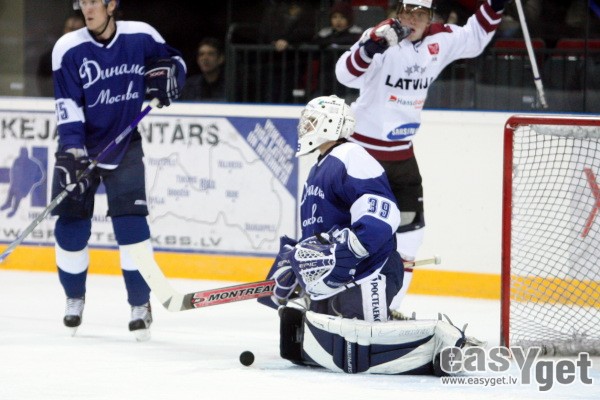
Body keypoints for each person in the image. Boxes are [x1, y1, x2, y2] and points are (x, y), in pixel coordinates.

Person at [261, 95, 470, 375]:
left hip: (367, 272)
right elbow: (320, 233)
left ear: (331, 123)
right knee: (329, 346)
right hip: (336, 279)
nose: (305, 128)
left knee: (359, 348)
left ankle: (442, 343)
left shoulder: (351, 156)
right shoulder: (318, 168)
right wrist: (298, 264)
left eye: (311, 122)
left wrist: (345, 253)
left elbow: (382, 214)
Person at [334, 0, 510, 312]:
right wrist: (370, 48)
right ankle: (331, 299)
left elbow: (474, 37)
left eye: (420, 14)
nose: (412, 19)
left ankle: (389, 309)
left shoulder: (440, 39)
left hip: (402, 157)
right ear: (397, 13)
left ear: (429, 18)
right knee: (353, 232)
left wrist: (495, 5)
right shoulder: (382, 37)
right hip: (362, 154)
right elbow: (345, 74)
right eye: (407, 12)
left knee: (410, 236)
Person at [51, 0, 186, 341]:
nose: (87, 9)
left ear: (111, 5)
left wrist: (169, 78)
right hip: (79, 147)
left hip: (125, 145)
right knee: (70, 229)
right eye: (83, 2)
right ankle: (74, 298)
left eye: (94, 2)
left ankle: (140, 304)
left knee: (131, 227)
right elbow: (66, 105)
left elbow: (176, 62)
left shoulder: (140, 36)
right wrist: (73, 151)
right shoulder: (68, 48)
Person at [312, 2, 363, 98]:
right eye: (334, 17)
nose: (338, 21)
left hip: (348, 76)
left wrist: (332, 42)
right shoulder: (325, 33)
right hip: (327, 75)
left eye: (342, 17)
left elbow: (354, 41)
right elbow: (317, 42)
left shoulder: (357, 33)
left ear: (349, 18)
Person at [36, 12, 85, 97]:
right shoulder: (49, 58)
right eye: (70, 29)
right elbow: (45, 89)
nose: (72, 33)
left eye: (77, 30)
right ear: (64, 30)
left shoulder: (92, 56)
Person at [179, 38, 226, 102]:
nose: (205, 58)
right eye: (201, 54)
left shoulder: (231, 85)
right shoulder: (189, 86)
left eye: (211, 54)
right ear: (198, 60)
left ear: (221, 59)